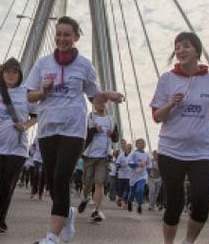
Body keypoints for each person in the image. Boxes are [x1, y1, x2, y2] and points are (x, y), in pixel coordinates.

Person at [26, 16, 124, 244]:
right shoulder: (43, 64)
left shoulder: (85, 66)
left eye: (67, 34)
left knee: (61, 177)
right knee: (52, 183)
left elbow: (93, 96)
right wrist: (43, 90)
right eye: (58, 34)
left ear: (76, 37)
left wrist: (107, 94)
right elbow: (30, 95)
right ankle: (68, 214)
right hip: (48, 128)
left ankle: (51, 237)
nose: (62, 39)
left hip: (74, 129)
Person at [150, 32, 209, 244]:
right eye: (177, 47)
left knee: (202, 201)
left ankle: (189, 241)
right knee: (175, 203)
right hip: (171, 149)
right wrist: (170, 104)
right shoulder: (167, 79)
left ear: (197, 51)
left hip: (201, 150)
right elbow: (157, 117)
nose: (181, 50)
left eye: (186, 46)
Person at [0, 58, 37, 234]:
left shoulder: (27, 93)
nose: (10, 75)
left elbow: (35, 116)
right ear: (1, 73)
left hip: (17, 148)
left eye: (14, 72)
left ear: (19, 75)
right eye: (7, 71)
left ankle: (0, 221)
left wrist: (26, 125)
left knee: (7, 186)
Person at [77, 97, 119, 222]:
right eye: (98, 103)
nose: (101, 104)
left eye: (103, 102)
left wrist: (112, 134)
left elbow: (116, 138)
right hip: (89, 155)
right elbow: (83, 135)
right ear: (94, 105)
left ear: (107, 104)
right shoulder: (89, 118)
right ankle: (85, 197)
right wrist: (94, 130)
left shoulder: (111, 120)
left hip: (104, 156)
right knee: (87, 184)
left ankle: (96, 210)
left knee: (99, 183)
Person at [126, 138, 152, 214]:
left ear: (144, 145)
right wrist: (138, 164)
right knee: (132, 193)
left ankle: (139, 205)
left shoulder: (147, 154)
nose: (141, 144)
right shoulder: (133, 153)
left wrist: (149, 172)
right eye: (139, 143)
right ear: (136, 145)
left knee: (140, 190)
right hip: (134, 175)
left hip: (142, 176)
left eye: (142, 143)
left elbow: (149, 165)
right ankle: (129, 202)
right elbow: (129, 162)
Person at [115, 143, 132, 208]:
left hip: (129, 176)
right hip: (121, 175)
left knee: (128, 190)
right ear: (125, 148)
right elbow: (117, 164)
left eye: (130, 148)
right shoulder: (121, 156)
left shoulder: (132, 155)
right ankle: (119, 199)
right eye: (128, 147)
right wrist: (120, 166)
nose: (129, 149)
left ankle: (125, 203)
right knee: (121, 190)